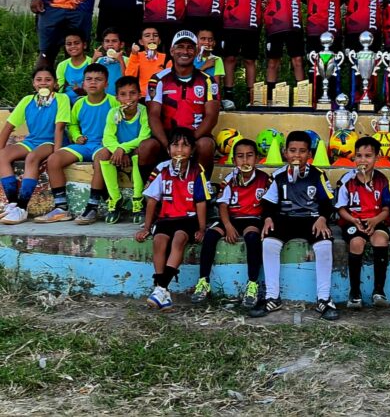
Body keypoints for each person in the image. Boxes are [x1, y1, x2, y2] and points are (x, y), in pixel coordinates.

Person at [258, 131, 339, 320]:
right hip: (285, 219)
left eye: (302, 151)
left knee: (325, 243)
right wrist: (268, 218)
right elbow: (268, 202)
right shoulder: (278, 176)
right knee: (269, 242)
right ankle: (272, 297)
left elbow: (327, 201)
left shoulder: (317, 175)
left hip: (312, 220)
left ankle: (324, 298)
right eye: (292, 150)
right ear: (285, 152)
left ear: (309, 154)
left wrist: (322, 218)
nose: (297, 155)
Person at [135, 127, 210, 311]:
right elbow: (152, 200)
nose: (180, 150)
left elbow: (201, 202)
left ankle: (160, 288)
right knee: (159, 241)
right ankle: (164, 293)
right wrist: (146, 227)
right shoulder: (162, 169)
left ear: (192, 150)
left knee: (178, 239)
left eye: (185, 145)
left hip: (188, 218)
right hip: (166, 218)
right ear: (168, 149)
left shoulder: (197, 170)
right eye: (175, 145)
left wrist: (202, 228)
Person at [191, 138, 272, 310]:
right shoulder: (230, 179)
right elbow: (223, 205)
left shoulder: (264, 179)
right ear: (234, 160)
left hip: (252, 218)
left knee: (252, 237)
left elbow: (269, 204)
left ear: (257, 159)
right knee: (211, 235)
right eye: (240, 157)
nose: (245, 160)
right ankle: (203, 281)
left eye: (249, 156)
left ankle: (252, 284)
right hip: (231, 217)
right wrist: (227, 226)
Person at [35, 64, 117, 223]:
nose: (93, 82)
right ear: (83, 84)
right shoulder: (79, 103)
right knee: (54, 159)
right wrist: (77, 135)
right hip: (84, 145)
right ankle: (61, 208)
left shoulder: (113, 102)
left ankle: (92, 207)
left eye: (98, 79)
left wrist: (111, 142)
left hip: (104, 145)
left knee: (101, 158)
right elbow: (72, 125)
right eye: (89, 79)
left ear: (106, 84)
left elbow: (121, 124)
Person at [138, 30, 219, 182]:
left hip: (196, 136)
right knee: (146, 147)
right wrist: (169, 145)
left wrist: (189, 143)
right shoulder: (158, 79)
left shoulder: (208, 80)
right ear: (172, 51)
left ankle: (202, 189)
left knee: (206, 145)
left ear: (196, 51)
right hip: (166, 138)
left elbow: (212, 116)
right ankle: (150, 189)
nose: (185, 51)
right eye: (180, 47)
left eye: (190, 48)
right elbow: (153, 115)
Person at [74, 75, 150, 225]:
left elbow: (144, 136)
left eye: (133, 93)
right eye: (123, 94)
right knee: (102, 154)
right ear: (117, 98)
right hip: (117, 150)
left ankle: (138, 199)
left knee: (140, 152)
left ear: (139, 95)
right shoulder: (113, 112)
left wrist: (122, 148)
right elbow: (108, 137)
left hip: (134, 148)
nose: (128, 98)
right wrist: (118, 149)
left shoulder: (143, 111)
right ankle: (115, 198)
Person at [0, 68, 70, 225]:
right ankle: (13, 204)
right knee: (2, 156)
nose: (43, 83)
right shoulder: (27, 100)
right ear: (33, 84)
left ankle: (22, 208)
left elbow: (59, 128)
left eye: (48, 79)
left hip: (51, 141)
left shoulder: (61, 98)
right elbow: (8, 127)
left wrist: (57, 154)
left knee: (32, 158)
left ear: (55, 83)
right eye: (39, 80)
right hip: (32, 141)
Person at [335, 136, 390, 309]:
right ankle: (355, 292)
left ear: (377, 158)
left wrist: (375, 221)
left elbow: (386, 210)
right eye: (359, 156)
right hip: (352, 221)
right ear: (354, 157)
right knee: (356, 242)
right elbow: (340, 209)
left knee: (381, 240)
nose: (363, 160)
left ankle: (379, 291)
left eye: (368, 156)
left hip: (376, 220)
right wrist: (353, 220)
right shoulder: (346, 180)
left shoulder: (383, 180)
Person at [221, 0, 266, 110]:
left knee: (249, 60)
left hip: (252, 23)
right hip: (231, 22)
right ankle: (228, 97)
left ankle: (251, 98)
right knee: (230, 58)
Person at [125, 25, 167, 97]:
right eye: (147, 36)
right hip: (142, 97)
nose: (152, 38)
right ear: (141, 42)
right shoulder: (136, 55)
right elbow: (129, 77)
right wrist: (134, 55)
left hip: (161, 97)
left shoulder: (166, 58)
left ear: (159, 41)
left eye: (155, 35)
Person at [56, 28, 92, 104]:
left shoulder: (92, 62)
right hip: (67, 100)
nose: (73, 46)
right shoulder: (62, 65)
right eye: (69, 44)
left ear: (84, 45)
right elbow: (59, 89)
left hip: (88, 99)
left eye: (76, 43)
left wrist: (83, 91)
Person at [92, 27, 126, 96]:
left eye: (114, 41)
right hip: (102, 97)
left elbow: (127, 80)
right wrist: (93, 60)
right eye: (107, 41)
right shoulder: (100, 60)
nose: (110, 44)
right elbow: (91, 77)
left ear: (121, 44)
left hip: (120, 97)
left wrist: (121, 61)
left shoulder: (127, 60)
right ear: (103, 44)